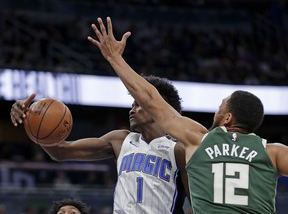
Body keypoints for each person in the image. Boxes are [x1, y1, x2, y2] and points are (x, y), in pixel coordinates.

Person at [87, 16, 288, 213]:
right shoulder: (273, 152)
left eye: (220, 108)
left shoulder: (199, 140)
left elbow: (149, 98)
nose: (215, 113)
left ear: (228, 118)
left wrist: (115, 58)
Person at [10, 81, 190, 213]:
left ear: (159, 108)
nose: (131, 109)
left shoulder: (180, 149)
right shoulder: (121, 140)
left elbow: (199, 204)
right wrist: (32, 122)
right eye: (132, 104)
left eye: (138, 105)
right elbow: (61, 151)